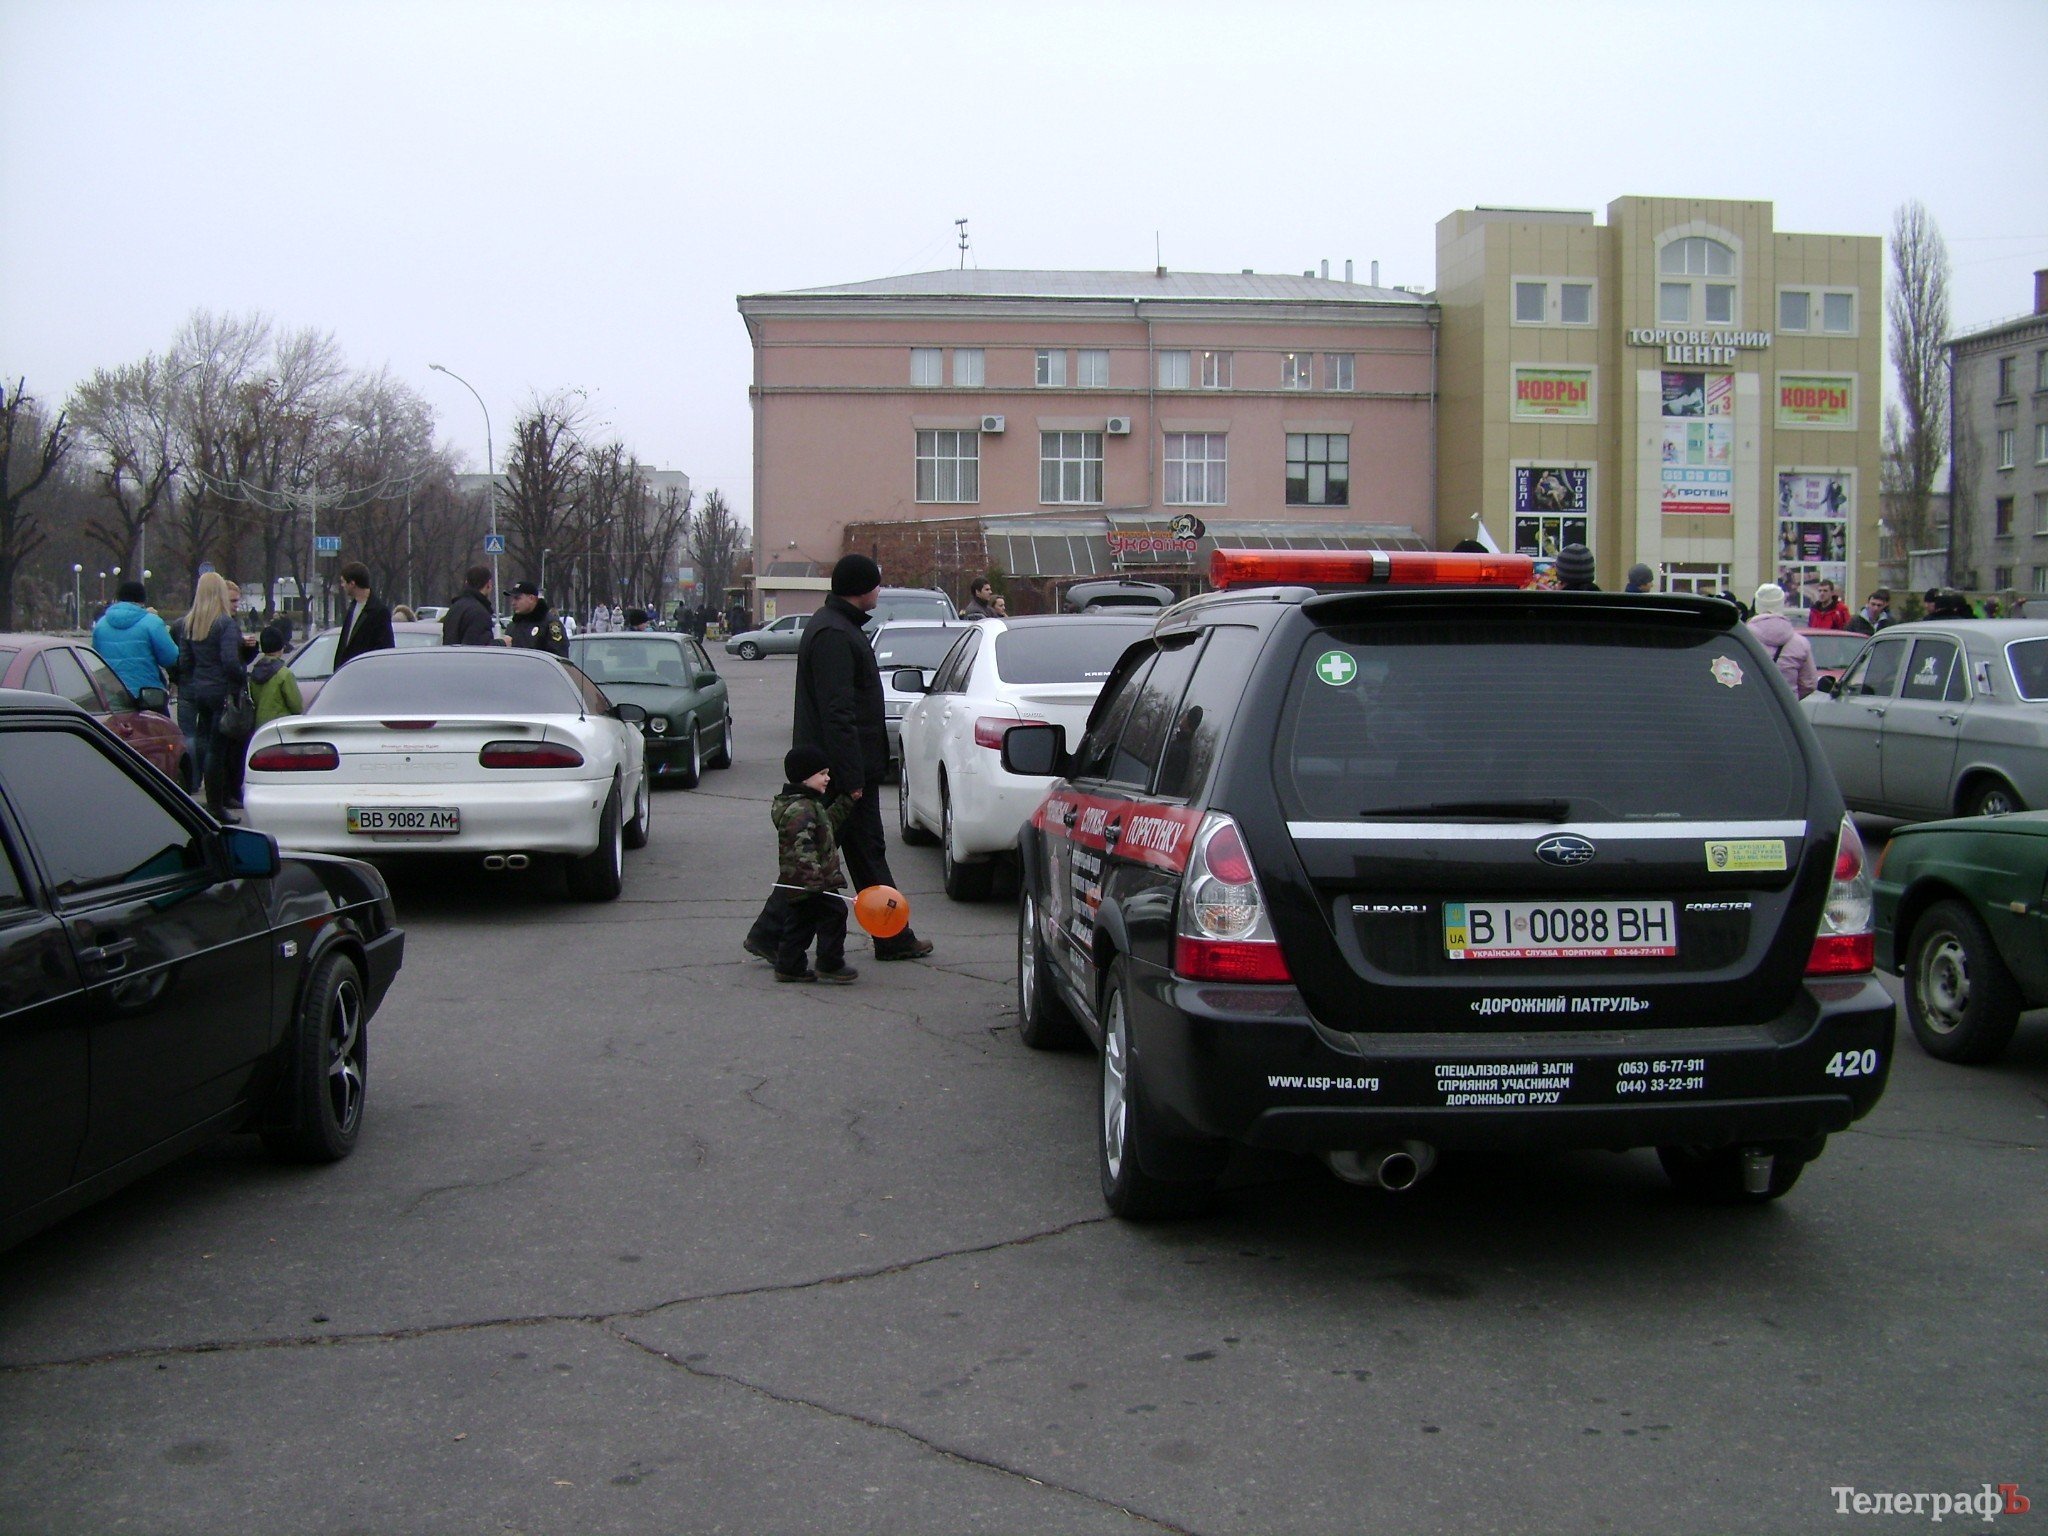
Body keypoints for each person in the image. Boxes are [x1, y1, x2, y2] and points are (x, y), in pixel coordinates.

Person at [746, 552, 932, 963]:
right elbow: (838, 711)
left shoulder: (839, 626)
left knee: (858, 855)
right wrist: (851, 776)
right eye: (876, 584)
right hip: (836, 772)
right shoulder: (834, 634)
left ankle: (891, 935)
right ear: (862, 589)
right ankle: (773, 935)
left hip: (841, 768)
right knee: (819, 860)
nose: (879, 590)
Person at [768, 745, 859, 984]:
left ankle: (789, 966)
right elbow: (802, 850)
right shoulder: (801, 810)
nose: (827, 778)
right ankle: (830, 962)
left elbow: (826, 824)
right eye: (822, 774)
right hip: (809, 882)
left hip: (804, 881)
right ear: (804, 777)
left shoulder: (808, 805)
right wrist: (815, 882)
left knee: (801, 923)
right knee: (835, 912)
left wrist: (847, 801)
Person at [176, 571, 248, 818]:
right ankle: (217, 806)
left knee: (206, 744)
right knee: (218, 750)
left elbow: (184, 661)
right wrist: (241, 678)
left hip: (199, 689)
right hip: (221, 691)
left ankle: (208, 798)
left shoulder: (190, 623)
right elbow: (230, 662)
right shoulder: (224, 623)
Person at [93, 578, 180, 699]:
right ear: (142, 601)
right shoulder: (152, 623)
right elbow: (170, 658)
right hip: (147, 694)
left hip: (111, 694)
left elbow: (95, 659)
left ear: (118, 599)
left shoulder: (101, 625)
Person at [1748, 583, 1817, 699]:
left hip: (1752, 707)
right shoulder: (1800, 643)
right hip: (1785, 711)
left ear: (1757, 605)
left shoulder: (1742, 640)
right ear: (1782, 605)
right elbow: (1809, 684)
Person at [333, 561, 395, 668]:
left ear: (352, 584)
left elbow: (385, 648)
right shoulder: (352, 608)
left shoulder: (379, 611)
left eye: (343, 582)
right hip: (347, 673)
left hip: (365, 674)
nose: (342, 586)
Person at [248, 625, 305, 727]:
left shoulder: (254, 672)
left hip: (259, 727)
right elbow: (297, 707)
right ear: (281, 647)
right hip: (280, 726)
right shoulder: (284, 674)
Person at [508, 582, 569, 655]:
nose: (513, 603)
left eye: (517, 598)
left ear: (531, 598)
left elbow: (558, 654)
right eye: (512, 599)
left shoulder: (550, 624)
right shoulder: (513, 625)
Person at [442, 566, 496, 646]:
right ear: (489, 584)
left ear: (466, 583)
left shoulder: (454, 607)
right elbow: (479, 648)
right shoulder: (479, 613)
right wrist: (502, 643)